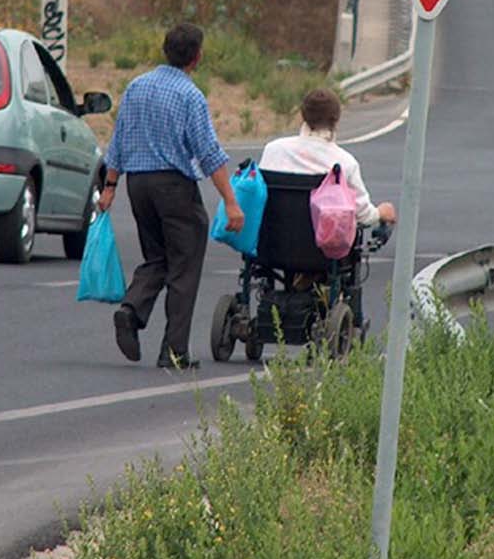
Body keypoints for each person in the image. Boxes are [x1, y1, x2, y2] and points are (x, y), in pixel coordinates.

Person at [99, 23, 244, 370]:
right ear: (197, 57)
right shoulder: (189, 96)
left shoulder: (136, 86)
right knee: (185, 264)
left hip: (138, 185)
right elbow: (208, 152)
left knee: (156, 257)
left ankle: (131, 309)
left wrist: (110, 186)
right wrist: (230, 200)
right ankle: (174, 351)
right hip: (174, 187)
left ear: (165, 49)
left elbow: (118, 138)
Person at [259, 87, 397, 228]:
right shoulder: (345, 163)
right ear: (336, 119)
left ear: (303, 115)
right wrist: (380, 212)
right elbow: (363, 215)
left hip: (273, 244)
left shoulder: (273, 150)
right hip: (324, 247)